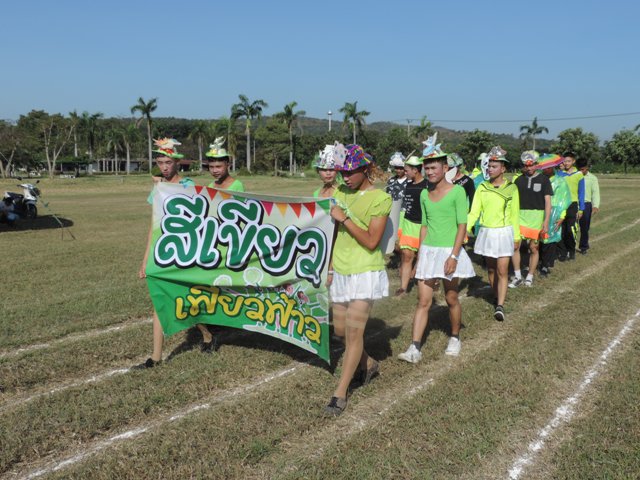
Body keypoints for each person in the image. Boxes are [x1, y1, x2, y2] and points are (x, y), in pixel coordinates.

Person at [324, 144, 391, 416]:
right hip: (341, 270)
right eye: (342, 172)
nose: (345, 177)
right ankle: (369, 364)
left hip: (365, 272)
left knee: (354, 333)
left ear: (365, 169)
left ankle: (340, 392)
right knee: (340, 331)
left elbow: (372, 241)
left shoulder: (381, 199)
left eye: (350, 172)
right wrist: (329, 268)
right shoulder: (340, 192)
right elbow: (330, 233)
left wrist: (345, 218)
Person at [397, 152, 475, 362]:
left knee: (451, 297)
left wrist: (454, 256)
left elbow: (462, 226)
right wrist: (420, 257)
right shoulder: (424, 194)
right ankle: (414, 347)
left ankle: (455, 337)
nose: (430, 172)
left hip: (449, 250)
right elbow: (424, 226)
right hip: (429, 251)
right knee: (423, 301)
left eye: (434, 168)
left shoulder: (457, 192)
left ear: (445, 168)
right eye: (427, 168)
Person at [136, 138, 203, 369]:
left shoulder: (188, 185)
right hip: (163, 251)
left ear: (177, 163)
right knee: (160, 300)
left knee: (186, 299)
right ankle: (156, 357)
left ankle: (207, 335)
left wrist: (165, 187)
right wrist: (145, 259)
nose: (164, 167)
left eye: (168, 162)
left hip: (185, 250)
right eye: (160, 162)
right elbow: (154, 226)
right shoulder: (158, 189)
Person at [467, 146, 520, 321]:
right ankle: (497, 296)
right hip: (487, 232)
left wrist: (517, 236)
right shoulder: (482, 187)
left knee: (502, 270)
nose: (490, 169)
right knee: (491, 269)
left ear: (503, 169)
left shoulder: (512, 188)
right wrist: (465, 229)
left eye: (494, 166)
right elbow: (474, 212)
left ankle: (500, 306)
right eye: (489, 166)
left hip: (504, 233)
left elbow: (515, 215)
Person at [508, 151, 552, 288]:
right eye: (526, 166)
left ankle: (530, 276)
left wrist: (546, 221)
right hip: (519, 216)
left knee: (533, 248)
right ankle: (517, 276)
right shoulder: (518, 181)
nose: (529, 168)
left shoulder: (544, 180)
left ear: (536, 165)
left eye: (531, 165)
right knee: (515, 246)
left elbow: (548, 202)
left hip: (536, 217)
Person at [396, 155, 428, 296]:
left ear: (415, 170)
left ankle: (430, 283)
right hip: (409, 223)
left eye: (407, 170)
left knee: (424, 257)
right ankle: (403, 288)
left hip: (423, 226)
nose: (405, 173)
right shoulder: (408, 185)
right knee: (406, 255)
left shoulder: (427, 185)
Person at [537, 154, 571, 277]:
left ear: (553, 167)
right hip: (539, 212)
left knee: (550, 239)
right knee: (538, 238)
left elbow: (564, 200)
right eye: (544, 168)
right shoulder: (538, 179)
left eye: (548, 167)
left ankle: (546, 265)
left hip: (554, 213)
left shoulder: (560, 182)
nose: (546, 170)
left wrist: (562, 216)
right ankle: (539, 261)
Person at [556, 152, 585, 261]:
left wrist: (581, 209)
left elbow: (581, 192)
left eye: (569, 161)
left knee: (570, 229)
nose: (566, 163)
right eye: (564, 161)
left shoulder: (579, 175)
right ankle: (562, 253)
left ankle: (571, 251)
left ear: (573, 161)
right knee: (561, 230)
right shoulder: (559, 174)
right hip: (561, 205)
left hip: (573, 204)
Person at [577, 158, 600, 254]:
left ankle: (583, 247)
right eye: (579, 169)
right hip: (574, 204)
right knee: (571, 227)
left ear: (587, 167)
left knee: (585, 227)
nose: (581, 171)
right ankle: (569, 248)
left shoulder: (593, 178)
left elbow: (595, 193)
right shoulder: (574, 176)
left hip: (586, 205)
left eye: (582, 169)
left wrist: (595, 205)